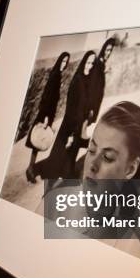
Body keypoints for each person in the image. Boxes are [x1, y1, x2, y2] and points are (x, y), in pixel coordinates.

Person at [82, 101, 140, 260]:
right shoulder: (52, 206)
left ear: (130, 169)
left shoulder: (130, 252)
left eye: (107, 157)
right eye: (91, 150)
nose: (92, 165)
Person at [35, 50, 97, 188]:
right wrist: (72, 131)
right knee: (59, 154)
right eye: (88, 62)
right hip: (71, 124)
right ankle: (37, 170)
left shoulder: (87, 80)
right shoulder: (77, 80)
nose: (90, 66)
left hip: (80, 123)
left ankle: (66, 175)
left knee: (69, 153)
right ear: (84, 63)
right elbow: (71, 107)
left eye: (92, 63)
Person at [24, 52, 70, 183]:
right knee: (37, 142)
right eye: (63, 61)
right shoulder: (55, 75)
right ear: (59, 61)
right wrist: (45, 117)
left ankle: (30, 169)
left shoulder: (57, 75)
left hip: (47, 114)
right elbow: (46, 97)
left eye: (66, 62)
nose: (64, 64)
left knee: (37, 143)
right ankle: (30, 170)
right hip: (45, 114)